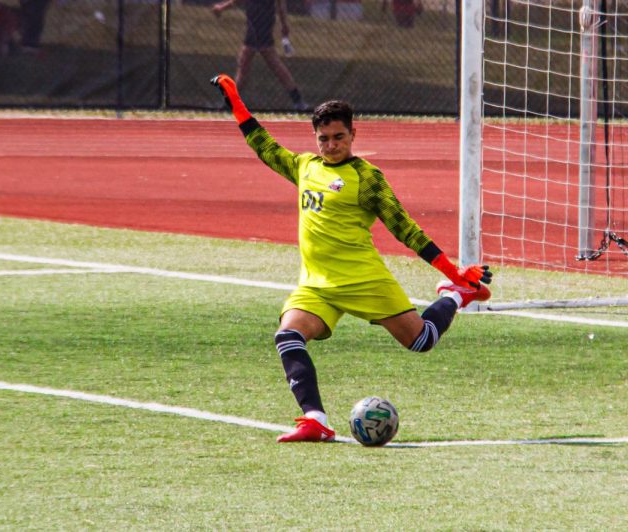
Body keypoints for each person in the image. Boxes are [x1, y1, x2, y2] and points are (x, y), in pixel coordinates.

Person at [210, 74, 493, 442]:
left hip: (363, 279)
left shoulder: (367, 178)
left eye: (338, 137)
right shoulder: (304, 167)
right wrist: (236, 103)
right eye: (323, 139)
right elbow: (263, 145)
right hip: (317, 285)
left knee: (421, 341)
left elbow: (406, 229)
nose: (330, 145)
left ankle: (454, 294)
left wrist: (454, 271)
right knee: (288, 336)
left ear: (353, 135)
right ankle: (315, 419)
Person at [212, 0, 309, 111]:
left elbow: (280, 4)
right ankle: (297, 100)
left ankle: (298, 101)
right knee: (246, 64)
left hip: (262, 24)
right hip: (254, 24)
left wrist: (284, 24)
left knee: (266, 63)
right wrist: (222, 7)